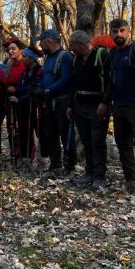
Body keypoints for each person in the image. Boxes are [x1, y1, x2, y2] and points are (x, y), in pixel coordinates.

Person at [101, 18, 135, 194]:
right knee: (123, 144)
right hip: (119, 107)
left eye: (121, 30)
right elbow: (111, 80)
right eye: (114, 31)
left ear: (128, 31)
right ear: (110, 33)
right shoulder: (112, 54)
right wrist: (105, 101)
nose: (118, 34)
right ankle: (130, 180)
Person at [66, 31, 111, 191]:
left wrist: (105, 102)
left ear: (81, 44)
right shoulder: (76, 59)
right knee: (86, 141)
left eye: (72, 45)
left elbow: (110, 81)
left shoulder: (102, 55)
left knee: (97, 141)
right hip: (80, 105)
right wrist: (70, 105)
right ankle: (89, 173)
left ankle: (99, 176)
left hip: (97, 106)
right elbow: (73, 83)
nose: (70, 48)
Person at [33, 29, 76, 176]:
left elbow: (66, 79)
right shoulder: (48, 58)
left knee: (65, 134)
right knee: (50, 133)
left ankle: (69, 166)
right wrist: (40, 87)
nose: (40, 45)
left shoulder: (65, 57)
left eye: (41, 41)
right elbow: (45, 77)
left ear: (49, 40)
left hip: (62, 101)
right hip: (49, 102)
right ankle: (55, 164)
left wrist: (47, 90)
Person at [9, 47, 43, 172]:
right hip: (23, 109)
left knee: (40, 134)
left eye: (25, 57)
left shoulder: (39, 71)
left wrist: (20, 98)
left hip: (36, 108)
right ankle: (25, 159)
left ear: (32, 59)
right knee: (24, 133)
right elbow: (21, 87)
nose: (22, 59)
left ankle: (42, 160)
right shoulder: (25, 72)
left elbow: (35, 90)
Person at [0, 39, 27, 167]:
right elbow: (7, 81)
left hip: (23, 100)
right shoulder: (9, 63)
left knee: (22, 128)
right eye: (9, 49)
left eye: (13, 49)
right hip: (9, 100)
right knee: (11, 128)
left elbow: (29, 83)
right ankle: (14, 155)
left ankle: (25, 156)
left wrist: (16, 89)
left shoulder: (25, 63)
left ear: (20, 50)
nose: (10, 51)